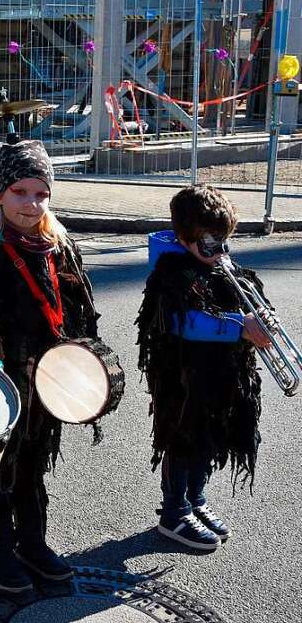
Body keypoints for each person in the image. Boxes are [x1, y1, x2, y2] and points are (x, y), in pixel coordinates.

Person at [0, 140, 101, 594]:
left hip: (49, 381)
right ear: (0, 194)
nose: (30, 204)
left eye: (41, 194)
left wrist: (82, 361)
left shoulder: (61, 247)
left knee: (34, 463)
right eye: (20, 192)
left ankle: (33, 543)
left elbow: (80, 311)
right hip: (6, 383)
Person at [137, 185, 269, 552]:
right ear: (183, 237)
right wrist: (240, 326)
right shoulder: (170, 270)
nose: (220, 252)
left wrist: (260, 318)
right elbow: (186, 322)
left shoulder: (219, 265)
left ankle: (196, 499)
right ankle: (174, 512)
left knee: (210, 439)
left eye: (225, 241)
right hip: (183, 379)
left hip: (221, 376)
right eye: (209, 243)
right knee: (183, 440)